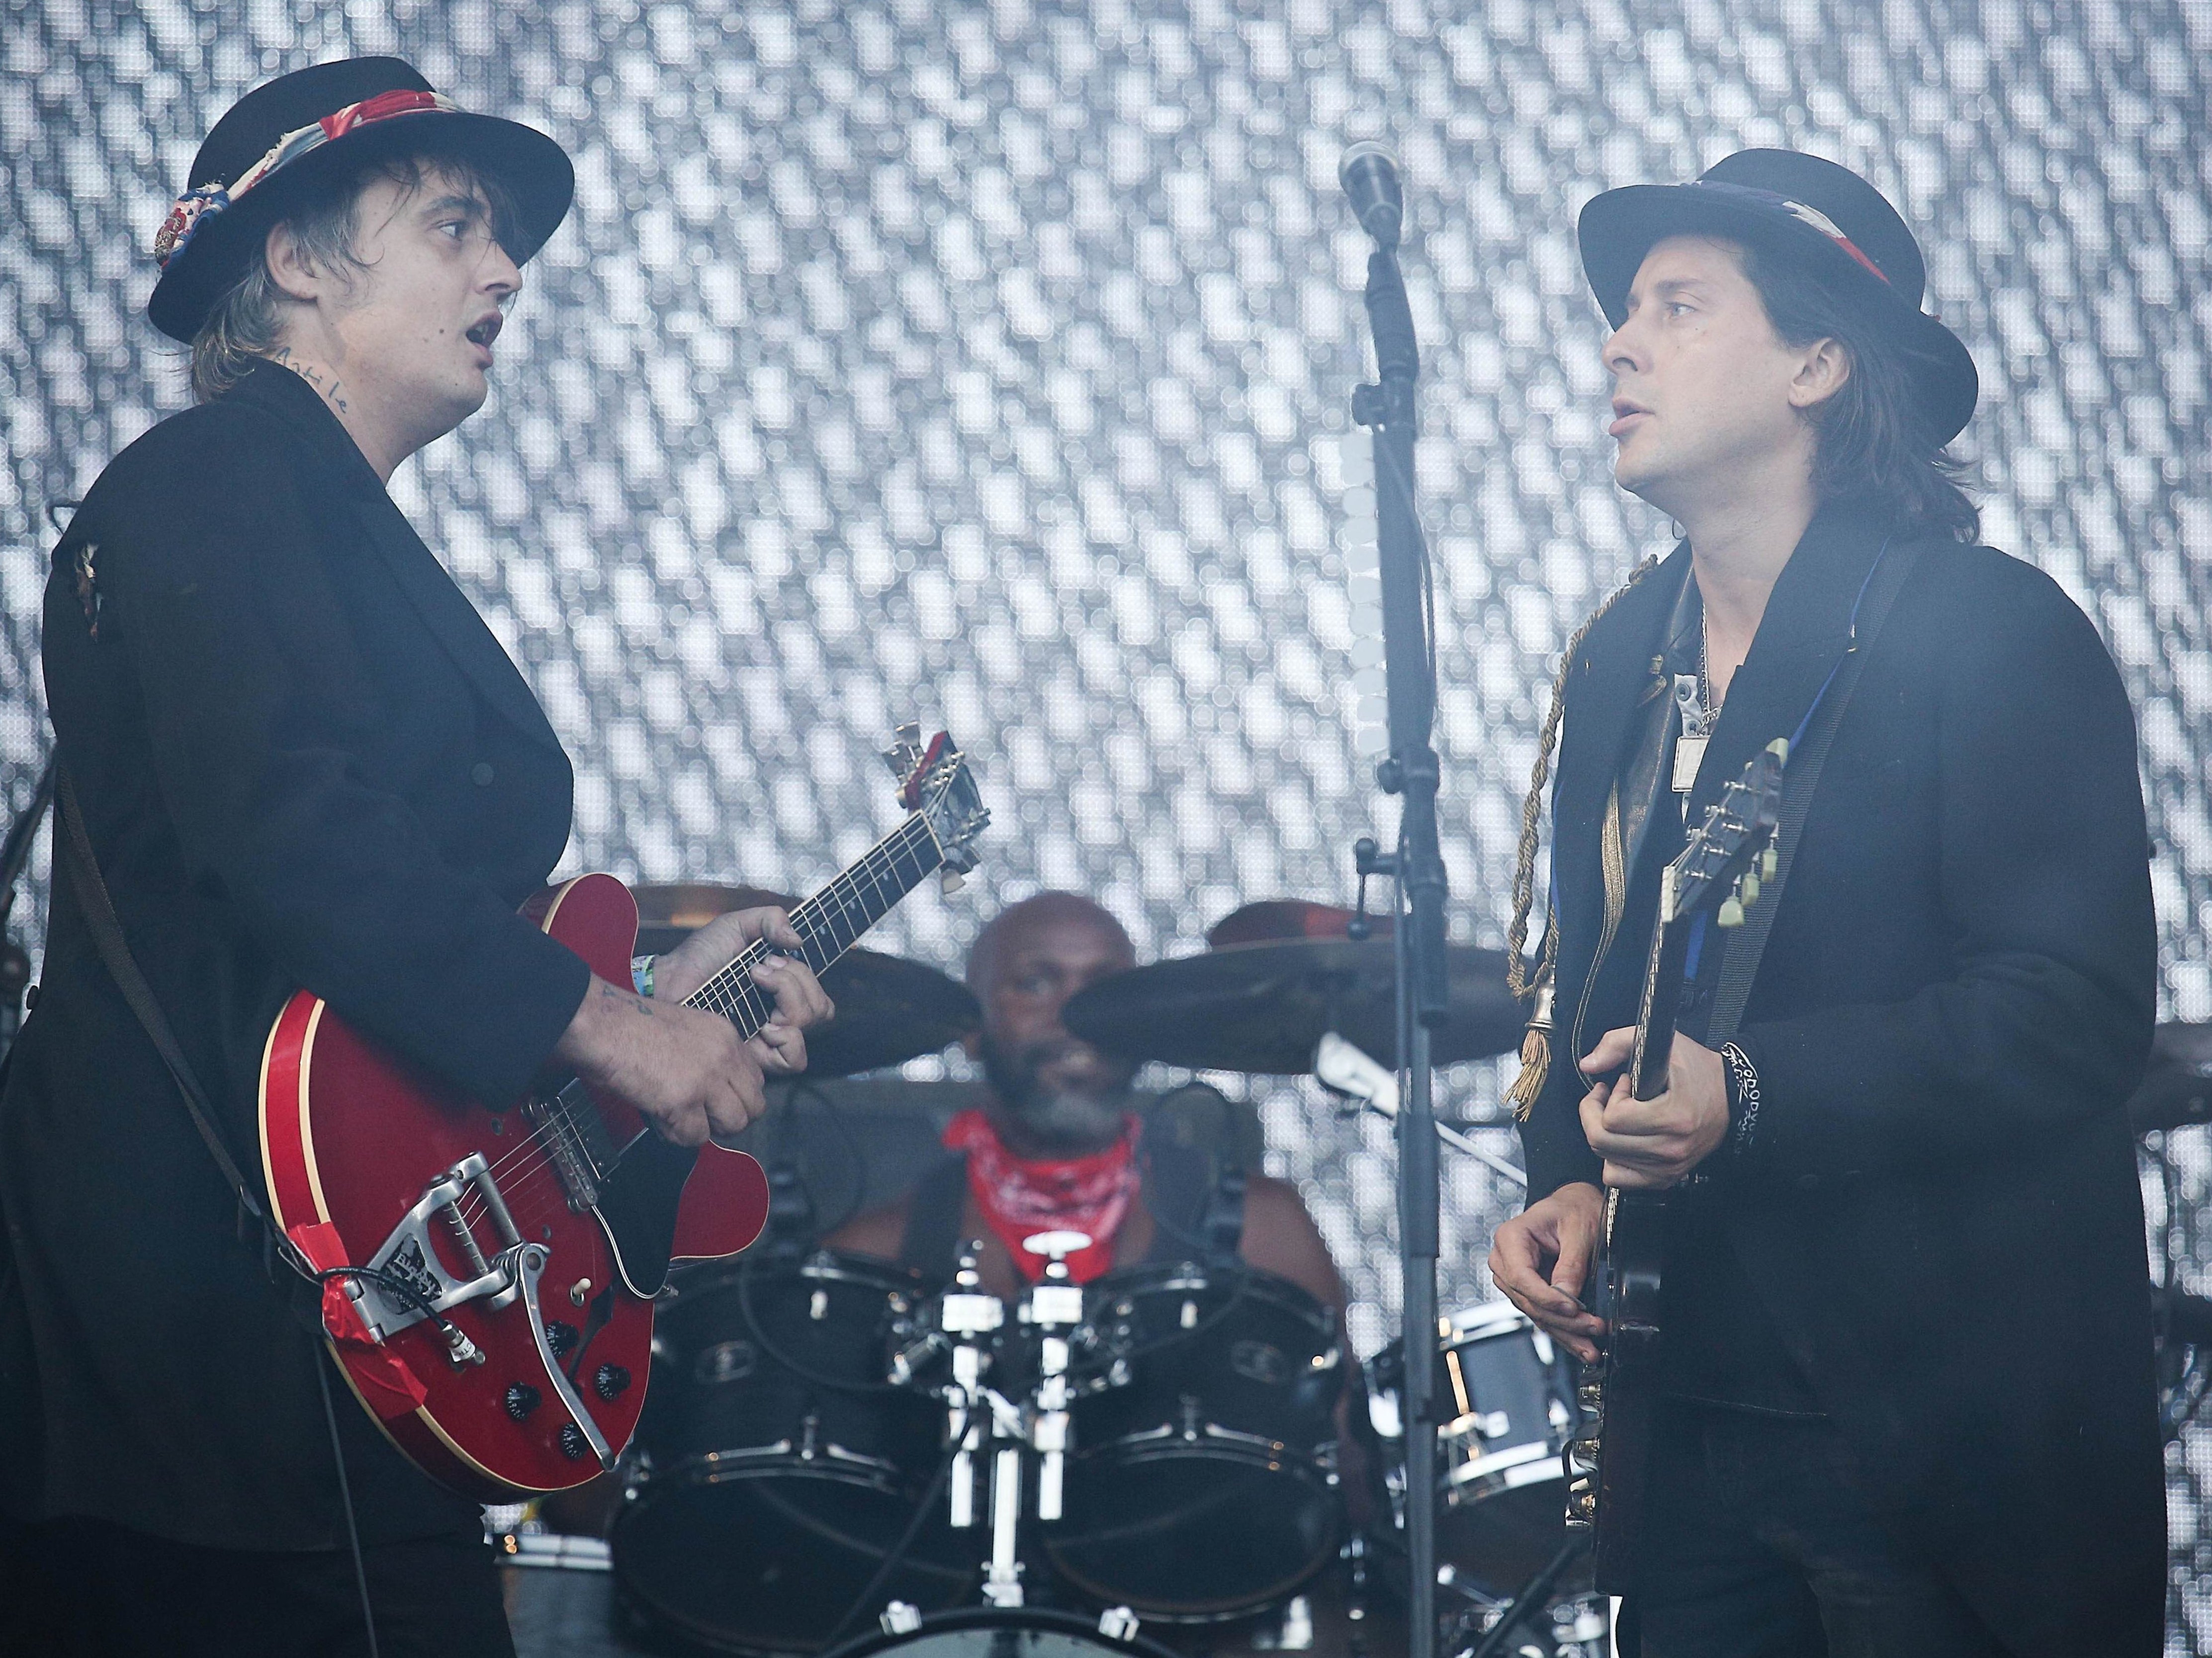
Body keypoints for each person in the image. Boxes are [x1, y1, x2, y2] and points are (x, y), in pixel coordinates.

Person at [0, 58, 830, 1657]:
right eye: (454, 224)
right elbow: (291, 831)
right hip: (209, 1366)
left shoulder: (306, 512)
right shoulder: (220, 475)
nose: (505, 270)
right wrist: (611, 1025)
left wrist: (662, 998)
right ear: (299, 259)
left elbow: (377, 937)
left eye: (504, 239)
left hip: (304, 1345)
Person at [1485, 150, 2162, 1657]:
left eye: (1679, 304)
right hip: (1691, 1422)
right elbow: (1588, 979)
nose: (1618, 342)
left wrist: (1756, 1089)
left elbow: (2073, 1011)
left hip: (1942, 1443)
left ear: (1815, 358)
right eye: (1623, 310)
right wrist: (1572, 1179)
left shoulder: (1990, 629)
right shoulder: (1617, 656)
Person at [828, 891, 1346, 1311]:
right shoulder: (871, 1256)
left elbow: (1340, 1436)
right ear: (971, 1026)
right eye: (1034, 983)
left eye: (1105, 986)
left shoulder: (1264, 1231)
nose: (1073, 1012)